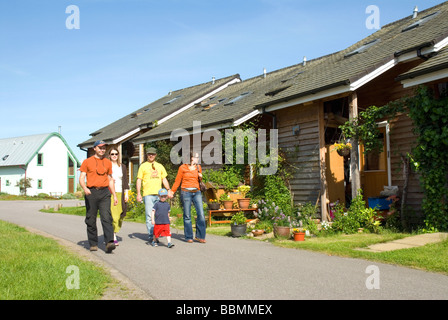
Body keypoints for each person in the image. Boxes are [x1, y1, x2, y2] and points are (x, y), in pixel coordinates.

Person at [79, 140, 118, 253]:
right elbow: (82, 177)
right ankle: (93, 243)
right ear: (95, 148)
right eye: (100, 148)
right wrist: (85, 188)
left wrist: (114, 195)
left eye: (104, 148)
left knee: (106, 217)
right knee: (91, 219)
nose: (102, 150)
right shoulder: (87, 162)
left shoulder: (108, 162)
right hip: (91, 192)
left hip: (105, 192)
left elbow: (110, 180)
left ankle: (109, 242)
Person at [169, 152, 206, 243]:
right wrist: (172, 191)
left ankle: (200, 236)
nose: (197, 159)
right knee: (187, 215)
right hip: (186, 192)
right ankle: (189, 237)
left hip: (196, 192)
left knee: (201, 214)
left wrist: (201, 177)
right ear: (191, 158)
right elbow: (177, 181)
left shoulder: (198, 167)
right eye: (196, 157)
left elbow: (199, 181)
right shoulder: (183, 168)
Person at [136, 147, 171, 242]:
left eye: (153, 154)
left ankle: (157, 234)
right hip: (148, 194)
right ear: (147, 155)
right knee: (149, 215)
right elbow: (139, 180)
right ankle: (152, 235)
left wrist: (169, 190)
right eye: (149, 154)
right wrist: (138, 193)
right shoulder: (143, 166)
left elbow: (164, 179)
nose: (151, 155)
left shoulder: (160, 166)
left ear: (156, 155)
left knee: (160, 215)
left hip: (159, 194)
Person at [108, 148, 129, 246]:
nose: (114, 155)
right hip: (112, 193)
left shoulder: (122, 166)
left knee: (121, 215)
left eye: (116, 154)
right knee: (114, 216)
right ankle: (113, 236)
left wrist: (127, 193)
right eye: (112, 154)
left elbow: (125, 180)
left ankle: (114, 232)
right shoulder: (107, 166)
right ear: (109, 155)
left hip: (121, 192)